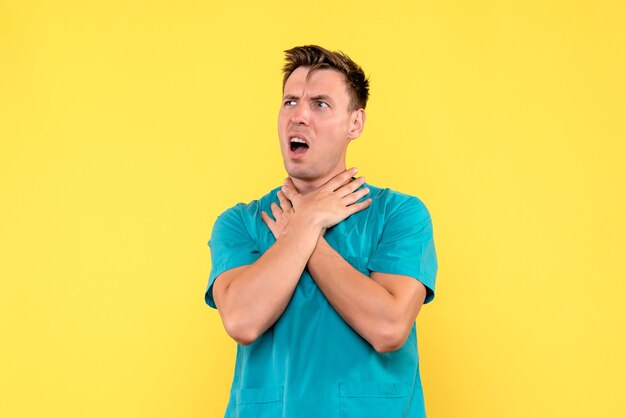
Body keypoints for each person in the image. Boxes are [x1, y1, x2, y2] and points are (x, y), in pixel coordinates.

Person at [205, 45, 438, 418]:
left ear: (355, 124)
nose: (299, 116)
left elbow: (389, 326)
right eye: (290, 102)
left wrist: (302, 229)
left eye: (320, 104)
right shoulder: (241, 223)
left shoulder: (399, 215)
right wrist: (311, 220)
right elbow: (242, 321)